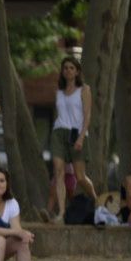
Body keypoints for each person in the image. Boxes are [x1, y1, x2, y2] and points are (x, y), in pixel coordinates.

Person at [49, 55, 98, 217]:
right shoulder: (59, 92)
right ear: (62, 72)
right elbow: (60, 114)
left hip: (76, 132)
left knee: (80, 176)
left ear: (77, 71)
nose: (68, 70)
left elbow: (87, 115)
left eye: (71, 68)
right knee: (59, 172)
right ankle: (61, 212)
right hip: (58, 132)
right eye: (65, 68)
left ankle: (96, 200)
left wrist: (81, 137)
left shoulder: (84, 89)